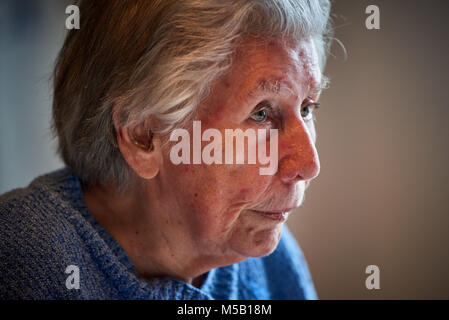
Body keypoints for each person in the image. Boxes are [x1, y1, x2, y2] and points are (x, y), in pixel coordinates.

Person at [0, 0, 333, 299]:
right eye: (261, 114)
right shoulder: (24, 259)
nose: (308, 163)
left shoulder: (269, 260)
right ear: (143, 136)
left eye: (307, 108)